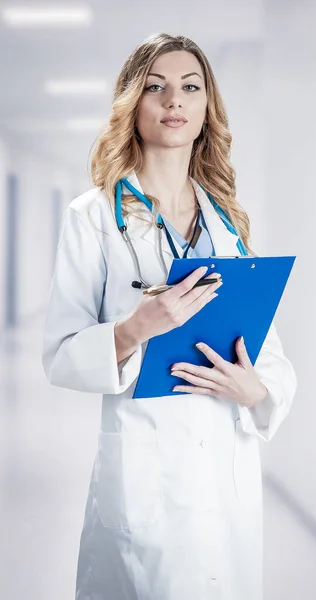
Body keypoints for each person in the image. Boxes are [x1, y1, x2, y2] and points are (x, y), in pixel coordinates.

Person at [42, 32, 297, 600]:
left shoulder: (228, 226)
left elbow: (271, 358)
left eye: (190, 87)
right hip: (143, 477)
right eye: (156, 88)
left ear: (208, 108)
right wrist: (136, 329)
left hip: (225, 480)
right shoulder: (94, 218)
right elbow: (59, 353)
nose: (174, 101)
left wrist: (255, 390)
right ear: (133, 105)